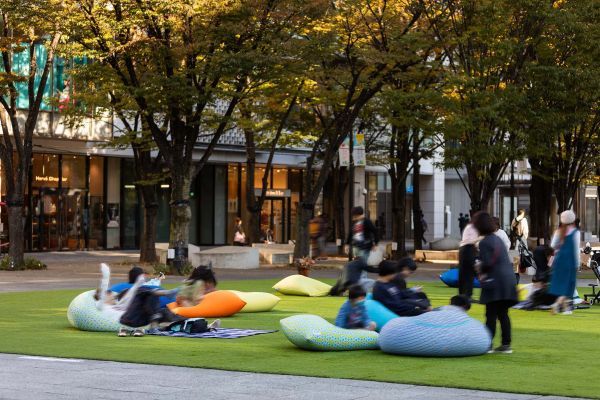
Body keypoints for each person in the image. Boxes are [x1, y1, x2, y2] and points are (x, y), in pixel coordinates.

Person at [473, 211, 517, 354]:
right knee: (503, 314)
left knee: (490, 314)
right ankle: (506, 344)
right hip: (508, 280)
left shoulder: (485, 242)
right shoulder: (498, 239)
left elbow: (487, 263)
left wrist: (478, 266)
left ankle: (487, 344)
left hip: (495, 281)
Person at [329, 206, 379, 295]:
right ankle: (358, 286)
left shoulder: (367, 222)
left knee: (362, 266)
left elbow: (375, 231)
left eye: (356, 216)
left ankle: (361, 287)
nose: (354, 218)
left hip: (364, 246)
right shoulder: (355, 223)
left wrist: (375, 243)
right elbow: (351, 233)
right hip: (356, 246)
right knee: (357, 266)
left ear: (360, 214)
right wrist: (347, 244)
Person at [549, 210, 580, 315]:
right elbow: (576, 250)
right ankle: (558, 304)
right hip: (570, 261)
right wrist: (578, 264)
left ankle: (566, 309)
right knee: (569, 285)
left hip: (559, 260)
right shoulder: (575, 232)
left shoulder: (558, 231)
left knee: (561, 283)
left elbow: (553, 246)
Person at [458, 216, 479, 298]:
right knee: (468, 273)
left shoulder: (470, 227)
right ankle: (466, 295)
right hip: (468, 249)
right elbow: (473, 241)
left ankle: (464, 294)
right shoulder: (472, 227)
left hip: (466, 249)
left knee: (466, 273)